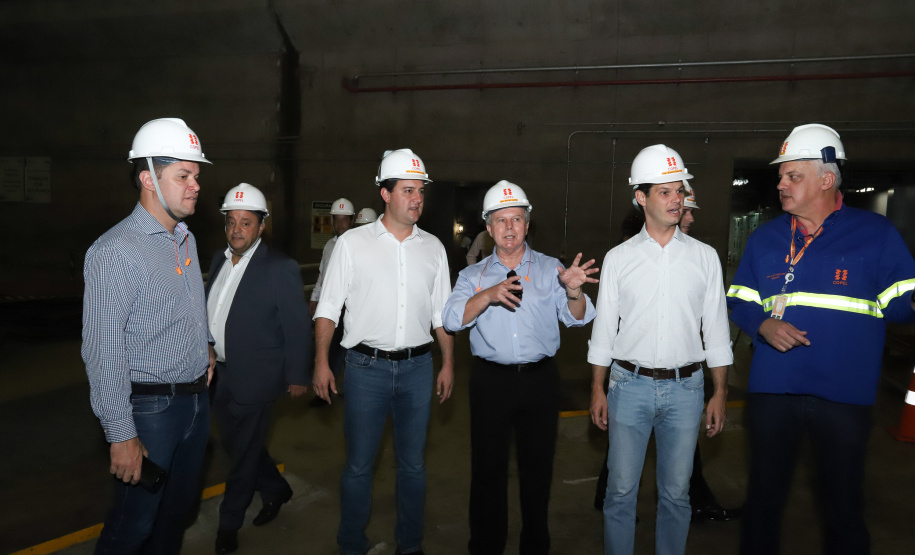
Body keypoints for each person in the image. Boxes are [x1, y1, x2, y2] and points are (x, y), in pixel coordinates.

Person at [727, 124, 915, 555]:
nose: (781, 184)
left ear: (826, 180)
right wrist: (762, 325)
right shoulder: (766, 238)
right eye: (781, 176)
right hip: (773, 391)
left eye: (792, 176)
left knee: (843, 507)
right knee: (763, 501)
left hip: (844, 396)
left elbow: (900, 306)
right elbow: (739, 300)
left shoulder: (876, 233)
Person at [589, 144, 733, 555]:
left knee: (676, 494)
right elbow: (604, 330)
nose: (676, 200)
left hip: (687, 390)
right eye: (665, 192)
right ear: (641, 197)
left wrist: (720, 392)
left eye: (680, 191)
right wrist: (597, 388)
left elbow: (716, 331)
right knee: (620, 492)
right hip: (628, 387)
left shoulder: (705, 258)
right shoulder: (619, 259)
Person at [312, 148, 455, 555]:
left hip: (418, 368)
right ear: (385, 194)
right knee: (359, 466)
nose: (417, 199)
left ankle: (410, 544)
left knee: (413, 465)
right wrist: (321, 362)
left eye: (421, 191)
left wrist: (448, 363)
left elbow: (441, 313)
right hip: (365, 369)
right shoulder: (352, 244)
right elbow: (328, 308)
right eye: (408, 190)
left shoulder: (434, 248)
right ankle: (351, 543)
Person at [443, 181, 598, 554]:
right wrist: (487, 295)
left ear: (527, 225)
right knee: (487, 471)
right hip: (490, 383)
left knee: (537, 472)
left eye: (516, 219)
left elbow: (577, 318)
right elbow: (450, 320)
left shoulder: (551, 269)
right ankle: (486, 545)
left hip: (540, 381)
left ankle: (535, 545)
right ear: (488, 227)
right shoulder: (472, 276)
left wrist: (574, 291)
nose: (509, 227)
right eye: (501, 220)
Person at [82, 118, 214, 553]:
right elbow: (103, 351)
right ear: (147, 179)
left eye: (196, 175)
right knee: (132, 526)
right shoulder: (115, 252)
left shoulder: (185, 239)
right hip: (151, 410)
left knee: (176, 516)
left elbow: (185, 309)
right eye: (183, 175)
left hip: (196, 402)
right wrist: (121, 434)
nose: (195, 185)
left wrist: (205, 347)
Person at [205, 183, 311, 553]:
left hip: (257, 375)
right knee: (235, 443)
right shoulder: (218, 260)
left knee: (244, 455)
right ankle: (276, 488)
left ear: (261, 226)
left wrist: (298, 375)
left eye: (246, 222)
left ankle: (228, 524)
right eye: (231, 222)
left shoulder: (279, 268)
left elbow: (297, 326)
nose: (236, 230)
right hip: (217, 373)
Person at [309, 197, 356, 406]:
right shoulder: (329, 246)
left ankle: (332, 389)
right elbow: (323, 275)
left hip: (349, 307)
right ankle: (327, 388)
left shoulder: (358, 245)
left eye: (344, 220)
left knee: (342, 349)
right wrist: (315, 297)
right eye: (337, 220)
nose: (340, 224)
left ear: (351, 221)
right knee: (328, 348)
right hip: (330, 307)